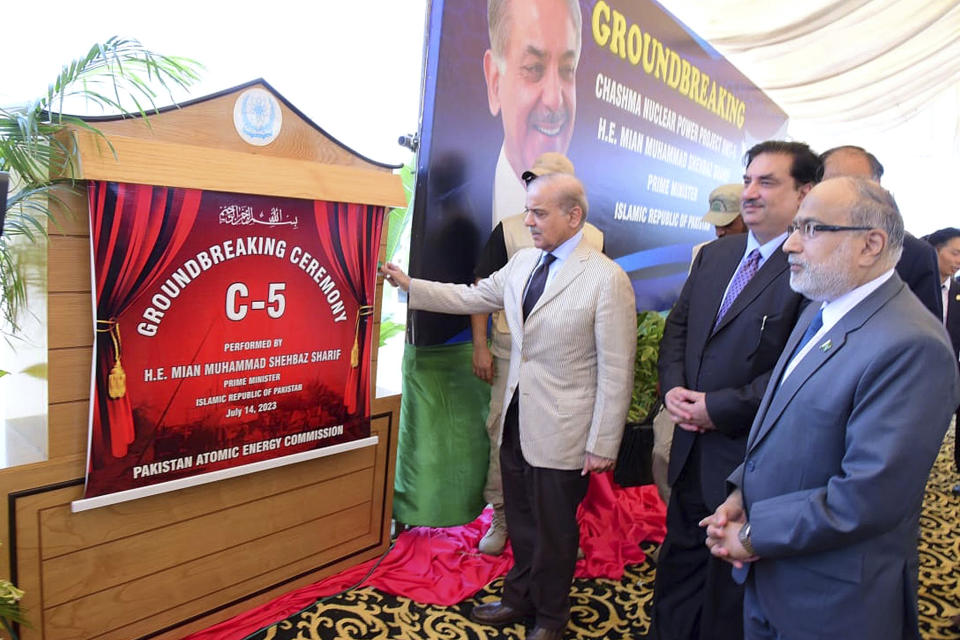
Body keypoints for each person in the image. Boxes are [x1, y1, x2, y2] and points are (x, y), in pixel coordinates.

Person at [703, 176, 960, 640]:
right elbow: (781, 428)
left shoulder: (912, 346)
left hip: (831, 603)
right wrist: (742, 494)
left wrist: (754, 534)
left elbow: (868, 496)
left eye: (811, 229)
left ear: (871, 244)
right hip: (774, 583)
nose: (790, 246)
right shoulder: (819, 309)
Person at [381, 173, 635, 640]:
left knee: (556, 530)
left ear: (573, 215)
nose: (528, 221)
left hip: (567, 430)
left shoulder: (606, 278)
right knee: (520, 519)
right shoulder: (521, 263)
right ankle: (519, 598)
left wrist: (603, 442)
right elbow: (472, 296)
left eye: (539, 212)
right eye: (527, 210)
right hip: (516, 418)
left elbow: (617, 369)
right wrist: (410, 284)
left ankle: (552, 618)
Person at [651, 141, 817, 640]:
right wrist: (675, 391)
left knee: (729, 594)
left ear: (804, 192)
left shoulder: (810, 265)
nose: (750, 192)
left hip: (747, 464)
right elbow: (677, 331)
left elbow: (797, 370)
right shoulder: (715, 255)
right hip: (687, 449)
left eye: (767, 182)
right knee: (677, 571)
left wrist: (716, 408)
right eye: (748, 180)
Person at [470, 151, 603, 555]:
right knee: (503, 435)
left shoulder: (594, 239)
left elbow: (597, 303)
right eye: (532, 181)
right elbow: (479, 292)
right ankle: (504, 512)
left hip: (565, 361)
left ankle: (558, 523)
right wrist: (480, 345)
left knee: (560, 439)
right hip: (511, 351)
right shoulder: (511, 230)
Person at [483, 0, 581, 227]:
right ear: (495, 83)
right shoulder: (503, 235)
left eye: (567, 70)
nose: (554, 100)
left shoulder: (590, 246)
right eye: (534, 68)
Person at [819, 145, 942, 318]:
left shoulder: (915, 254)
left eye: (856, 183)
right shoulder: (799, 241)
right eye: (833, 183)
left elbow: (923, 327)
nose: (843, 192)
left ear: (878, 188)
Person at [922, 227, 960, 483]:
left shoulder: (957, 291)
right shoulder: (915, 286)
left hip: (945, 374)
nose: (959, 262)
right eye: (955, 253)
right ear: (936, 250)